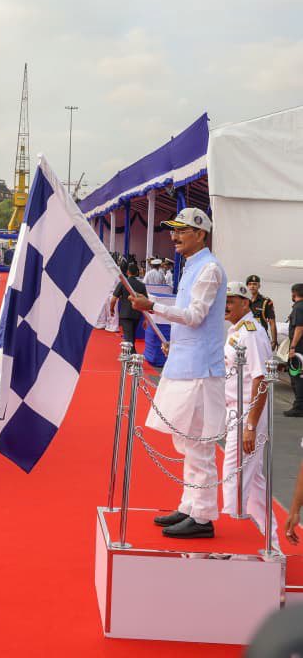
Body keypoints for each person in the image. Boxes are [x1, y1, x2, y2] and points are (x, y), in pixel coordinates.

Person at [129, 207, 226, 539]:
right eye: (173, 230)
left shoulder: (209, 269)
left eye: (182, 231)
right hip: (186, 363)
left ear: (200, 233)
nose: (174, 236)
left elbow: (196, 315)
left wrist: (153, 306)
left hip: (200, 369)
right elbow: (193, 321)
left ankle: (202, 516)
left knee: (198, 443)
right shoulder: (193, 267)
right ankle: (190, 505)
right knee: (185, 440)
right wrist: (176, 342)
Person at [221, 281, 278, 546]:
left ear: (246, 303)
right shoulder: (237, 330)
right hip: (238, 412)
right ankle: (271, 545)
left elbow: (261, 378)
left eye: (231, 300)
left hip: (248, 413)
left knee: (234, 480)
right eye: (225, 300)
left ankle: (232, 546)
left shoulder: (251, 332)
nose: (227, 305)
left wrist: (251, 425)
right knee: (254, 485)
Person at [110, 261, 147, 351]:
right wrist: (146, 318)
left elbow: (113, 299)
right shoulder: (141, 285)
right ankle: (132, 355)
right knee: (132, 335)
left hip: (125, 314)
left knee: (128, 336)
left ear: (127, 272)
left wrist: (111, 309)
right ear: (137, 273)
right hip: (136, 314)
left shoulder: (123, 283)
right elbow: (146, 302)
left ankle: (131, 356)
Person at [283, 284, 303, 417]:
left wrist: (292, 347)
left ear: (294, 293)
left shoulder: (298, 307)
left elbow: (299, 328)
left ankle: (299, 407)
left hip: (299, 348)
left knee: (297, 376)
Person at [246, 274, 277, 348]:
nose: (252, 286)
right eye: (250, 284)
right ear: (247, 286)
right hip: (246, 337)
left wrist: (274, 341)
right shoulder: (243, 301)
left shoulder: (266, 302)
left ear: (259, 286)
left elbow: (272, 322)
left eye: (254, 284)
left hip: (261, 337)